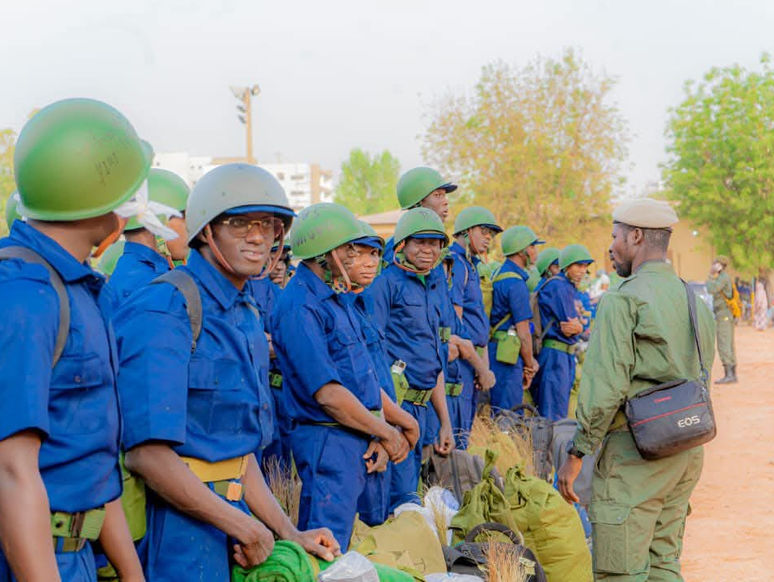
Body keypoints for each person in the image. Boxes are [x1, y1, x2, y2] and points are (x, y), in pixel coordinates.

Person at [115, 164, 338, 581]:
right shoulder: (166, 308)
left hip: (237, 525)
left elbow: (237, 455)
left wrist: (289, 533)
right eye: (239, 224)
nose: (258, 237)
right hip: (177, 531)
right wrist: (241, 526)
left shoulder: (245, 313)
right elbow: (147, 454)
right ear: (205, 231)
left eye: (269, 225)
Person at [0, 98, 146, 581]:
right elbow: (10, 469)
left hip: (78, 550)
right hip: (33, 556)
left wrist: (131, 573)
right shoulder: (25, 294)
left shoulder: (77, 287)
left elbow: (90, 457)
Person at [558, 197, 715, 581]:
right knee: (664, 565)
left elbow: (605, 388)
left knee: (621, 572)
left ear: (637, 236)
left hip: (636, 454)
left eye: (615, 237)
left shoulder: (622, 299)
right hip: (685, 449)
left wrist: (577, 452)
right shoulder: (694, 300)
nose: (611, 247)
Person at [271, 203, 417, 550]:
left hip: (361, 435)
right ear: (326, 254)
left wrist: (388, 426)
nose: (357, 258)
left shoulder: (336, 300)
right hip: (330, 443)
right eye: (349, 250)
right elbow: (329, 395)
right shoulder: (300, 306)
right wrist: (385, 431)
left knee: (364, 548)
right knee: (330, 551)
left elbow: (360, 381)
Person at [366, 207, 455, 509]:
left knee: (412, 493)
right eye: (420, 242)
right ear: (403, 244)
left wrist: (445, 421)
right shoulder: (385, 284)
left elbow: (435, 362)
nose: (428, 250)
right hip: (396, 406)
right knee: (395, 499)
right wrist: (381, 421)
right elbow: (371, 353)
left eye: (435, 243)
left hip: (423, 409)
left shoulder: (432, 285)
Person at [449, 206, 501, 440]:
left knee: (465, 433)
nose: (488, 237)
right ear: (468, 231)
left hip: (472, 360)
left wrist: (483, 366)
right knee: (457, 435)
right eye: (484, 231)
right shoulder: (456, 264)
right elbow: (455, 325)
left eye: (491, 233)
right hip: (460, 361)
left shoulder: (470, 264)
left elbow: (478, 322)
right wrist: (481, 368)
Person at [107, 168, 190, 302]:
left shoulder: (132, 272)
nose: (190, 227)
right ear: (159, 223)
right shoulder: (153, 286)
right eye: (184, 217)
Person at [488, 226, 543, 410]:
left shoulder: (498, 274)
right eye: (533, 246)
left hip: (494, 350)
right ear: (522, 250)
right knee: (509, 414)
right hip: (508, 356)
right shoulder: (516, 283)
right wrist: (529, 364)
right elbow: (524, 332)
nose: (536, 252)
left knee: (497, 410)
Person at [707, 256, 737, 383]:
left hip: (723, 314)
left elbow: (711, 289)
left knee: (724, 344)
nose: (713, 265)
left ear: (720, 265)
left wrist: (710, 275)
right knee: (729, 344)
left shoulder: (722, 278)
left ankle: (729, 375)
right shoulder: (723, 277)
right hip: (725, 314)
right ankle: (732, 374)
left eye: (715, 263)